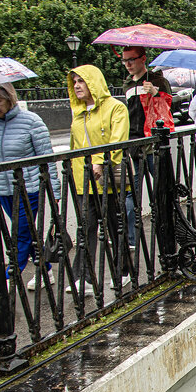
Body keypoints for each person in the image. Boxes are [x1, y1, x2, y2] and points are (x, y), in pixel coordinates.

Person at [0, 82, 59, 290]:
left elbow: (47, 158)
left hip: (29, 187)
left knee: (20, 233)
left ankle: (11, 276)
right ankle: (45, 270)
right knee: (27, 232)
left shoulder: (31, 121)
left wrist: (55, 191)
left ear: (10, 98)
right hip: (2, 189)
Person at [67, 64, 130, 297]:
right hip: (83, 178)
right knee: (86, 228)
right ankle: (83, 277)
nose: (77, 86)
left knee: (115, 226)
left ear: (93, 82)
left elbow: (117, 142)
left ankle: (124, 270)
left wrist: (99, 161)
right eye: (74, 83)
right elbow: (74, 144)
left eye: (81, 82)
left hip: (106, 178)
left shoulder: (116, 108)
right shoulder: (78, 112)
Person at [120, 46, 173, 251]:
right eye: (125, 61)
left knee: (163, 187)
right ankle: (132, 239)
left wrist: (156, 92)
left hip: (153, 144)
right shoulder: (127, 84)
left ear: (143, 59)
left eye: (131, 60)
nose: (128, 64)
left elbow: (169, 107)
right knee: (132, 192)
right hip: (134, 144)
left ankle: (167, 230)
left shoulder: (157, 81)